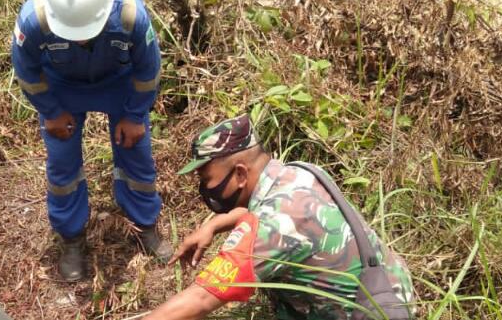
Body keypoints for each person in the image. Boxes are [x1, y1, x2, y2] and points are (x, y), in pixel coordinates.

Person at [146, 115, 415, 320]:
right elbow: (267, 213)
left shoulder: (273, 225)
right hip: (388, 290)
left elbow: (202, 298)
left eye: (207, 180)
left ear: (240, 174)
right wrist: (215, 225)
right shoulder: (298, 174)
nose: (205, 189)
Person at [10, 0, 170, 282]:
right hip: (62, 88)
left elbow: (148, 69)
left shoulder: (130, 14)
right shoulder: (34, 20)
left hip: (119, 84)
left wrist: (135, 115)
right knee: (62, 164)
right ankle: (71, 238)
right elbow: (26, 70)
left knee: (136, 154)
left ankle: (144, 224)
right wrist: (51, 111)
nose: (80, 37)